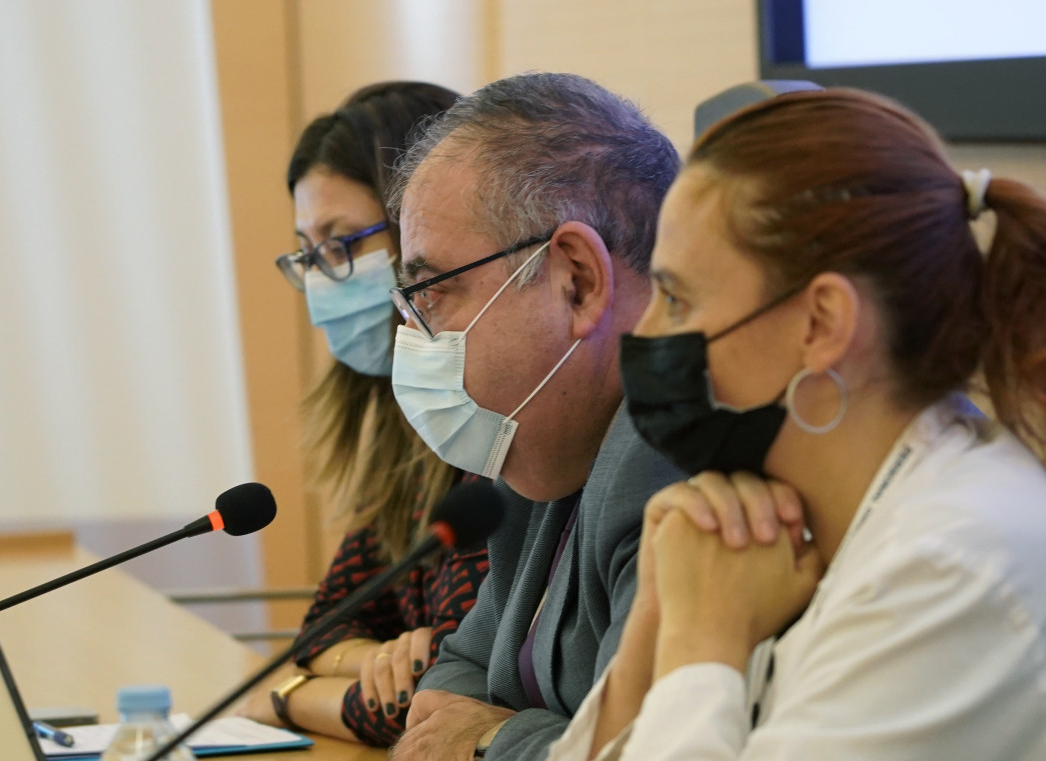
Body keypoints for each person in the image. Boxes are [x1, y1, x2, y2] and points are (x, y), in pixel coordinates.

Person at [548, 88, 1046, 760]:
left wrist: (702, 644)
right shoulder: (778, 522)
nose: (645, 332)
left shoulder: (951, 567)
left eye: (675, 297)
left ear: (820, 324)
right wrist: (653, 623)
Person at [384, 72, 685, 761]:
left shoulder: (667, 452)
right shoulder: (542, 453)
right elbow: (460, 667)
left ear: (575, 279)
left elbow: (656, 750)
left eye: (431, 291)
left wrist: (491, 736)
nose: (413, 335)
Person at [237, 81, 489, 747]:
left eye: (343, 242)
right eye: (308, 252)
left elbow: (441, 695)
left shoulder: (493, 426)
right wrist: (363, 659)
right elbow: (324, 626)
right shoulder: (401, 429)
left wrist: (288, 699)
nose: (322, 277)